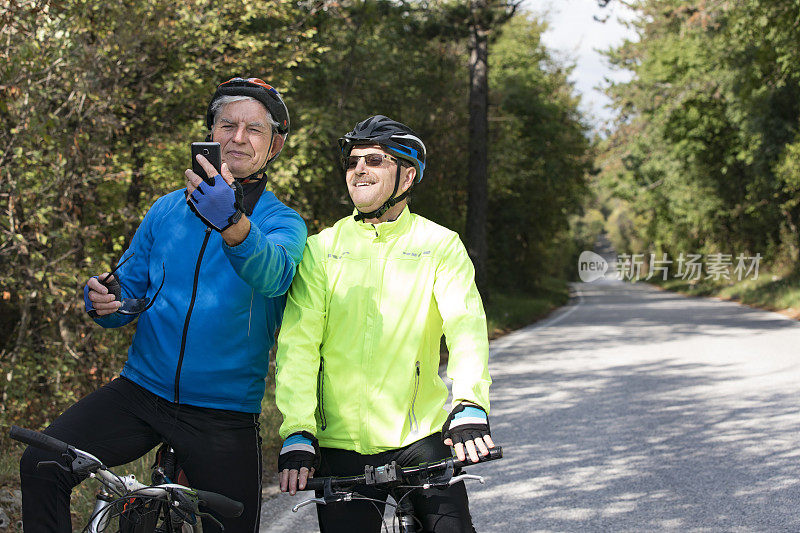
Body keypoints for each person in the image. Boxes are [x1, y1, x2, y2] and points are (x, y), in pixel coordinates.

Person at [19, 77, 307, 532]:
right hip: (141, 391)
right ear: (209, 134)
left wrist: (231, 221)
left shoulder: (281, 221)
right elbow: (129, 292)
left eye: (254, 129)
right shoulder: (167, 209)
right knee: (41, 461)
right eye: (226, 124)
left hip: (223, 410)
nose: (237, 137)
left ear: (274, 146)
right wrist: (105, 299)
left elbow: (274, 276)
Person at [274, 115, 495, 532]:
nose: (359, 170)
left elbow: (465, 329)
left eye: (375, 160)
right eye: (353, 161)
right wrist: (298, 430)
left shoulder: (439, 245)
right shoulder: (322, 250)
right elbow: (299, 346)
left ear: (407, 175)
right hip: (339, 445)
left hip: (420, 438)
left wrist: (469, 404)